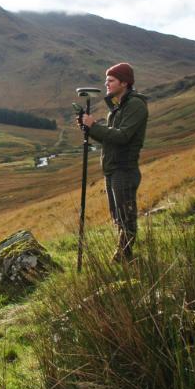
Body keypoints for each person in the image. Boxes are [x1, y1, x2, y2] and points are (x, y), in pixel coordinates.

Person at [80, 63, 148, 262]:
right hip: (112, 170)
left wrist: (94, 126)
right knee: (117, 216)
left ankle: (124, 257)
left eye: (111, 80)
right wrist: (89, 129)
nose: (106, 84)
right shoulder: (117, 110)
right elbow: (110, 139)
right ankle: (124, 256)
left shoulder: (135, 105)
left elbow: (123, 137)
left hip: (124, 169)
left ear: (124, 82)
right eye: (106, 80)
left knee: (126, 216)